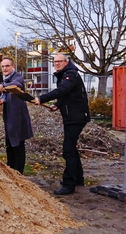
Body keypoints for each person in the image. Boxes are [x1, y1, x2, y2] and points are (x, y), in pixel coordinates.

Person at [34, 53, 90, 195]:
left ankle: (69, 184)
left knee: (68, 149)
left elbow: (62, 90)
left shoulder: (71, 74)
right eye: (55, 62)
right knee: (71, 147)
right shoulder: (66, 73)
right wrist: (58, 105)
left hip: (76, 117)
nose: (57, 64)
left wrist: (42, 98)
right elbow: (66, 95)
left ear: (66, 62)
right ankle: (78, 178)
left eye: (60, 61)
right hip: (72, 116)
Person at [0, 57, 33, 174]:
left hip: (18, 117)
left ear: (13, 67)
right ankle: (11, 171)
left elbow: (16, 85)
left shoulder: (17, 77)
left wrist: (3, 87)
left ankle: (18, 173)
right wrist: (1, 100)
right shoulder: (4, 80)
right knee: (10, 144)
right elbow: (5, 96)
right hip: (9, 117)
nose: (5, 68)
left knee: (18, 145)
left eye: (7, 66)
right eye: (3, 66)